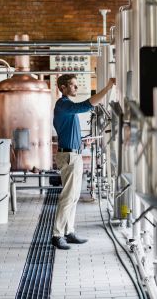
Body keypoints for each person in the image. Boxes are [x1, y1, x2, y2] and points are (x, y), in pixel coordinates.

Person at [51, 73, 115, 250]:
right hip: (69, 156)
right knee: (68, 197)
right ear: (62, 88)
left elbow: (69, 133)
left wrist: (83, 141)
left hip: (75, 153)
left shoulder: (67, 107)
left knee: (74, 197)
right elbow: (87, 105)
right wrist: (108, 88)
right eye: (72, 85)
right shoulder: (63, 104)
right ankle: (57, 235)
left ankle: (69, 231)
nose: (76, 88)